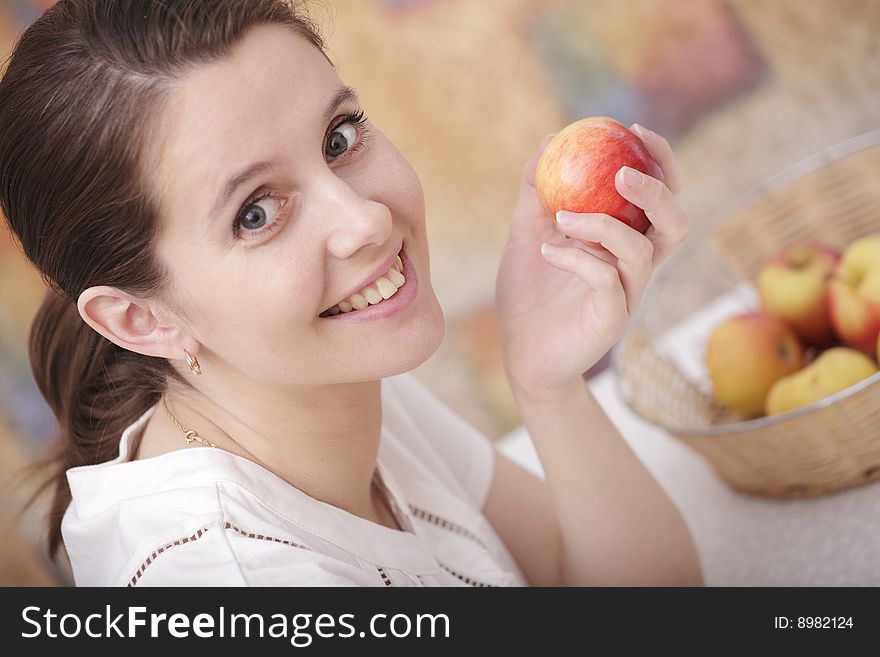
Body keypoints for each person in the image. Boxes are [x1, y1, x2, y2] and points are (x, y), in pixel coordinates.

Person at [0, 0, 702, 586]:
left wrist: (547, 383)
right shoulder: (238, 579)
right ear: (141, 319)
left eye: (339, 138)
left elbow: (578, 576)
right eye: (255, 212)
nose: (364, 220)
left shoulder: (324, 381)